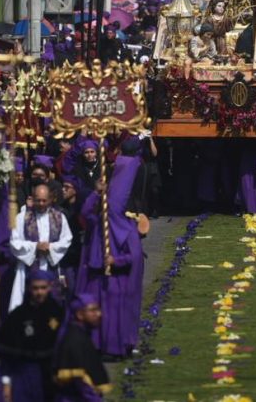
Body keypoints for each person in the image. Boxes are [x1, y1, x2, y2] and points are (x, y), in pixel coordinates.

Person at [75, 146, 144, 359]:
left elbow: (135, 256)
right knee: (95, 311)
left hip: (116, 277)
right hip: (97, 273)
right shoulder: (98, 221)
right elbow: (85, 213)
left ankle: (115, 348)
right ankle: (96, 346)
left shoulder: (128, 227)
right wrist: (96, 192)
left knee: (114, 313)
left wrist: (116, 259)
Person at [0, 269, 63, 401]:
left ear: (49, 287)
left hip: (51, 376)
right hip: (23, 376)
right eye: (35, 288)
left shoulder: (58, 313)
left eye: (43, 288)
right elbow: (6, 355)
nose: (39, 292)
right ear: (28, 288)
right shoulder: (17, 316)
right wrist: (6, 383)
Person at [8, 184, 73, 312]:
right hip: (28, 268)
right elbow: (14, 242)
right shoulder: (22, 218)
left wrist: (51, 247)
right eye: (38, 200)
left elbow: (67, 239)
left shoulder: (59, 217)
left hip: (51, 266)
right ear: (33, 199)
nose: (42, 203)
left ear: (50, 199)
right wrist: (35, 247)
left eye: (44, 200)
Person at [52, 294, 111, 401]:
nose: (99, 314)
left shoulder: (82, 334)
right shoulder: (75, 340)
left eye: (98, 309)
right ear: (80, 314)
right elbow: (80, 381)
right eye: (92, 310)